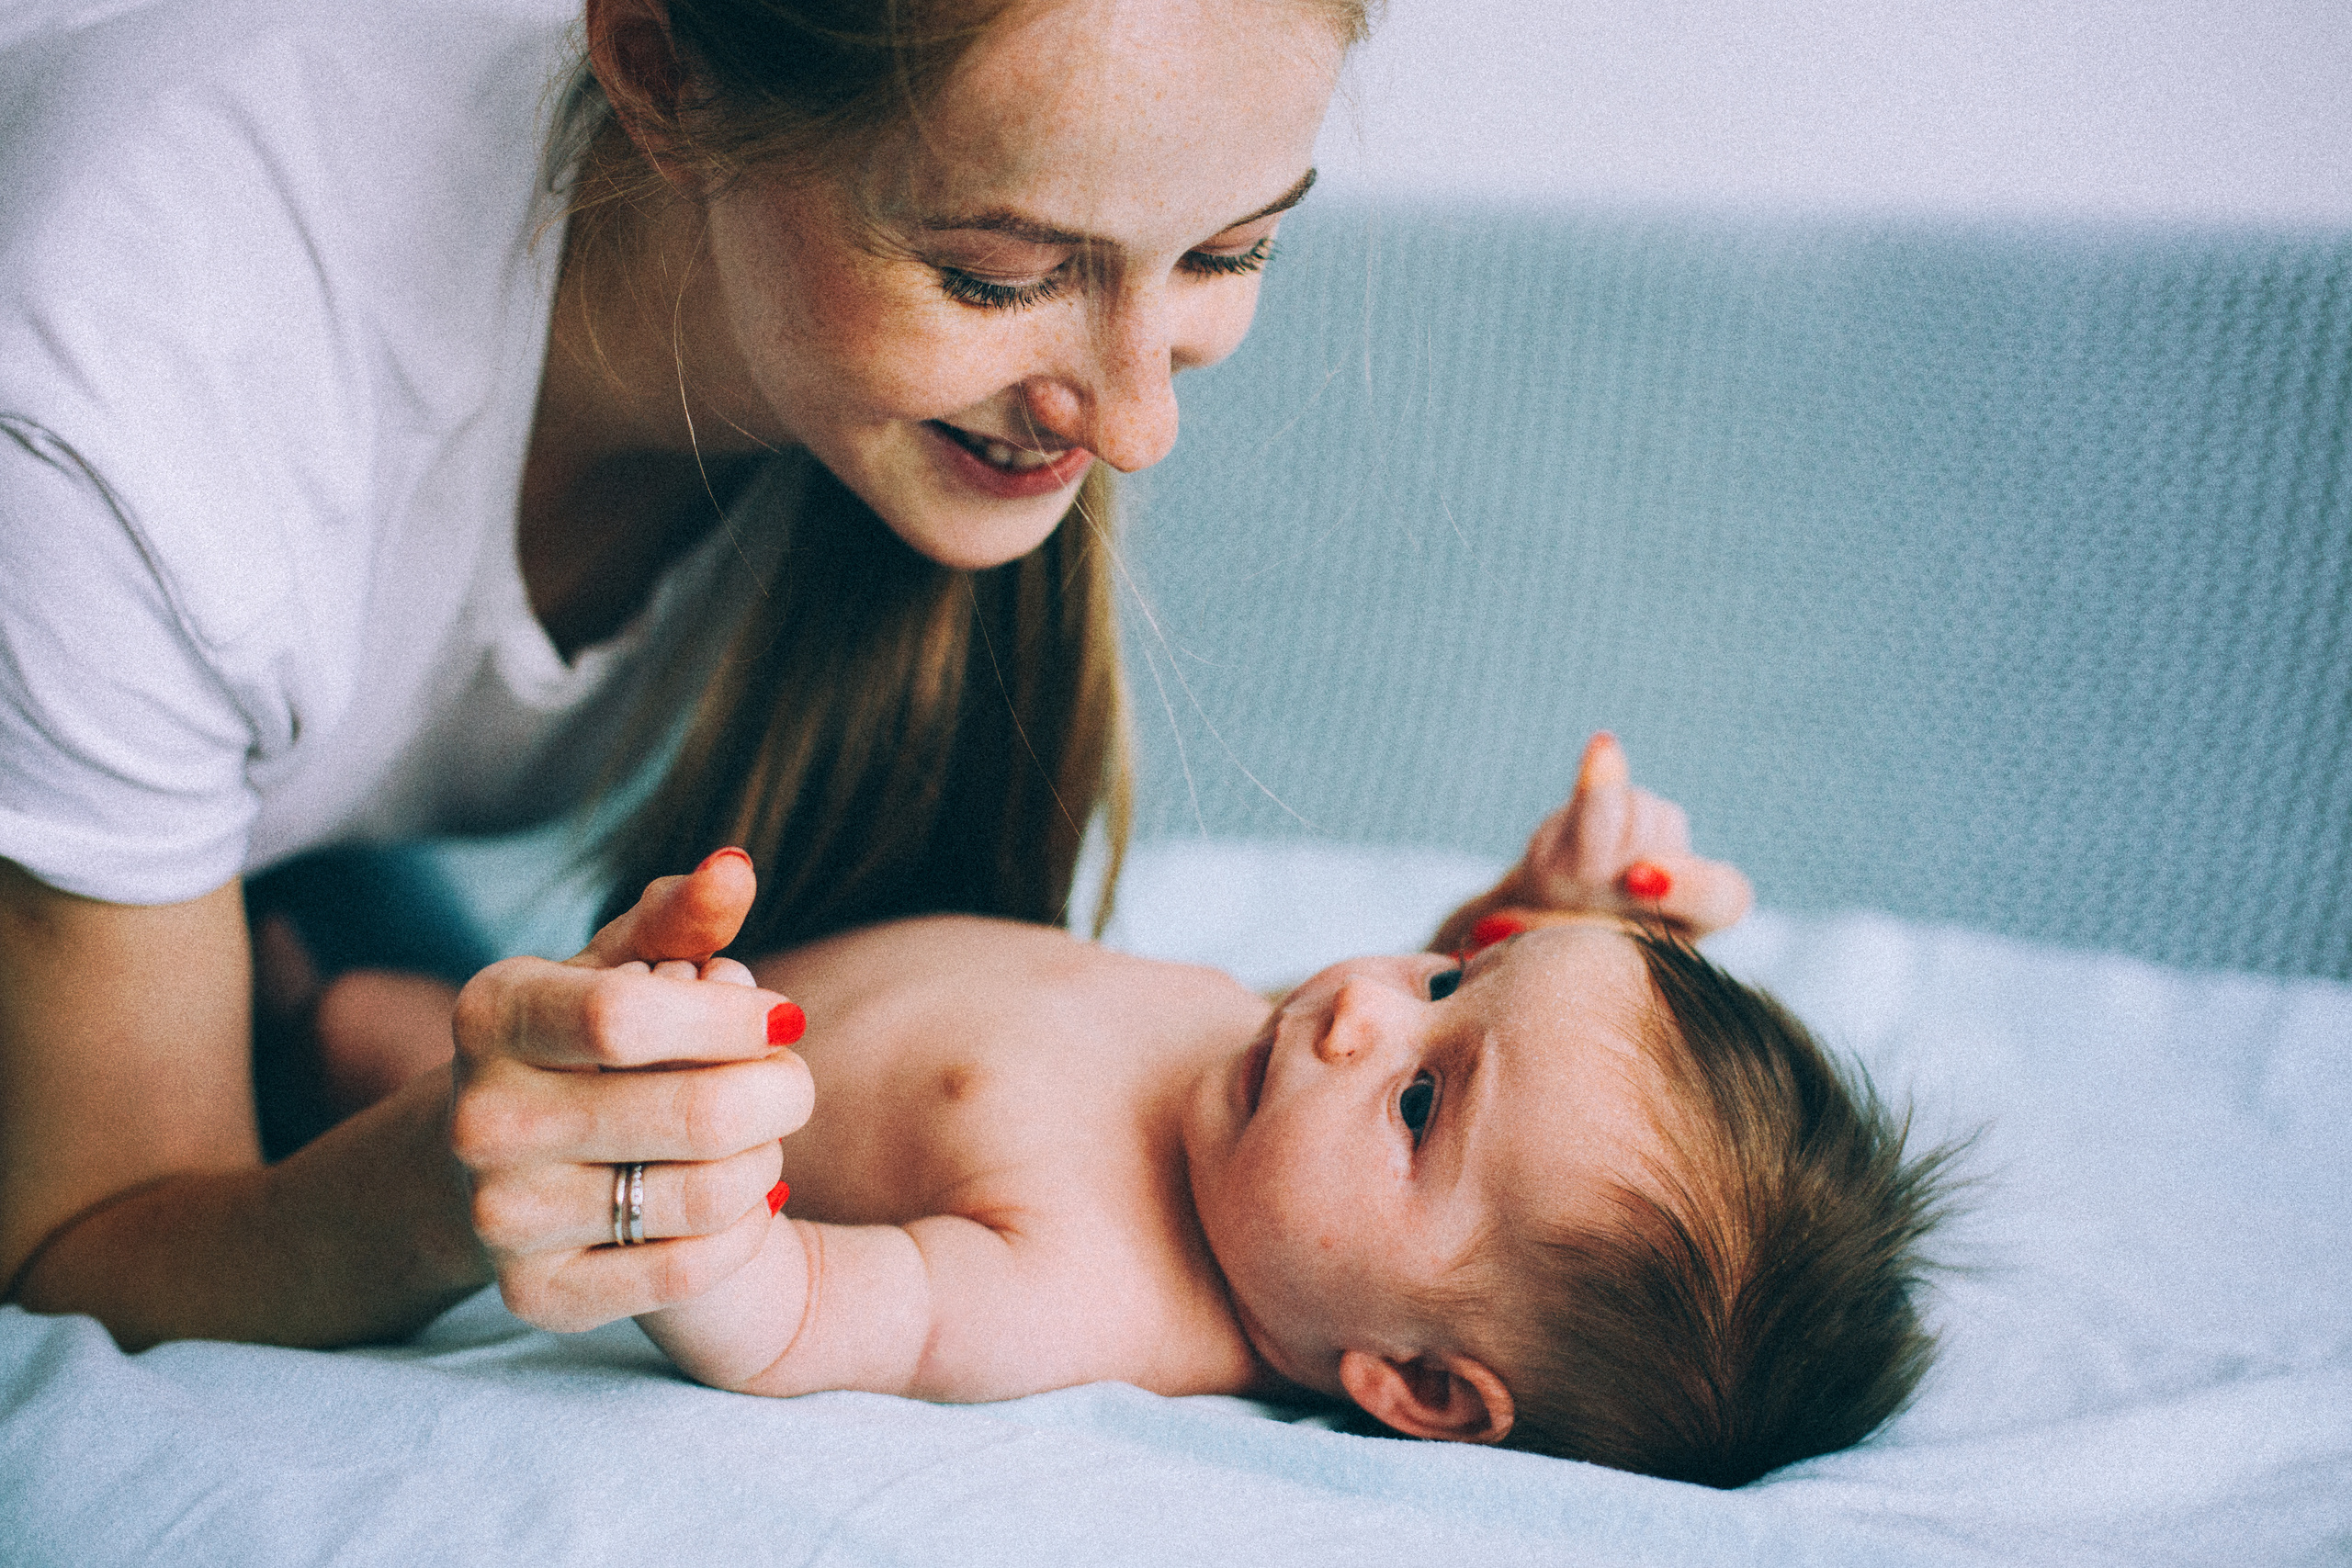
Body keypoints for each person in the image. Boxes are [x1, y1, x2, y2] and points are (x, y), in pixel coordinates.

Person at [0, 0, 1375, 1348]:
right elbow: (83, 1247)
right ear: (660, 75)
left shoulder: (894, 386)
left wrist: (1449, 1086)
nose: (1139, 423)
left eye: (1228, 252)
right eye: (998, 275)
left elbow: (928, 1077)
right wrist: (447, 1183)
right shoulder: (128, 397)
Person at [311, 736, 1949, 1485]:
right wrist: (1534, 917)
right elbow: (1437, 1051)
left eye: (1423, 1099)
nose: (1368, 1006)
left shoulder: (1096, 1290)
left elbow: (816, 1318)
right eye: (1453, 978)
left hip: (581, 1080)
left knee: (351, 1019)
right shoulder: (1278, 1109)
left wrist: (684, 1187)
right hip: (646, 940)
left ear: (1424, 1393)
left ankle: (278, 998)